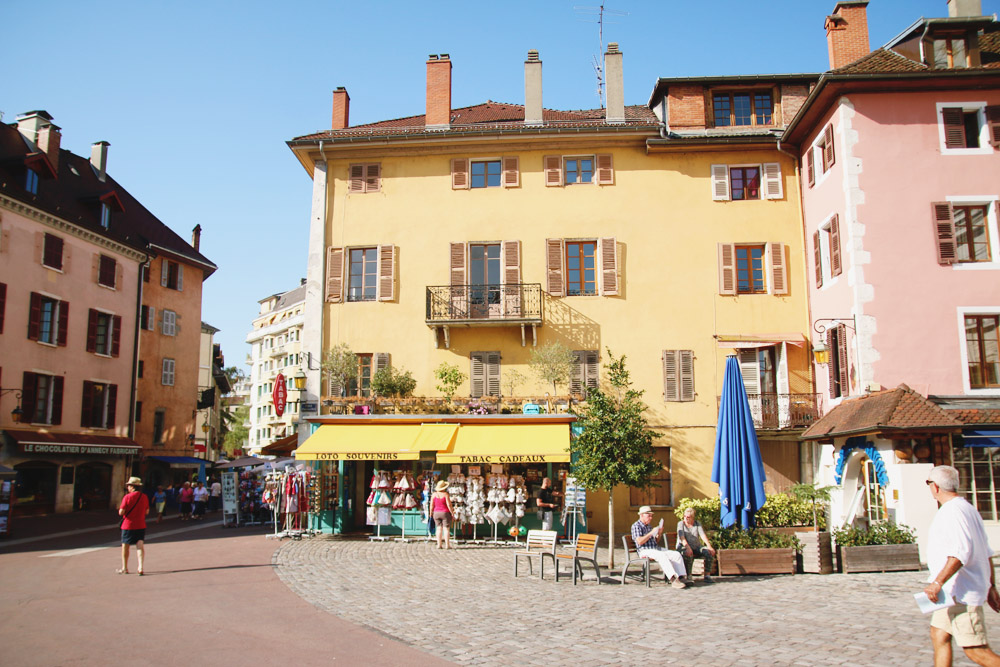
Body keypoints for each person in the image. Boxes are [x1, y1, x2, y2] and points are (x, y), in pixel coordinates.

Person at [923, 465, 1000, 666]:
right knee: (939, 635)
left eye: (929, 483)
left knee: (977, 651)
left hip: (961, 592)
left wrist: (937, 582)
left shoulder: (953, 512)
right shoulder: (967, 508)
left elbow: (959, 554)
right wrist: (991, 586)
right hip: (951, 593)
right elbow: (986, 552)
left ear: (936, 487)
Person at [631, 506, 687, 589]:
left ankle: (681, 577)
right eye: (648, 516)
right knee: (661, 555)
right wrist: (651, 533)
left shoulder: (649, 526)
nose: (651, 518)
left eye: (651, 516)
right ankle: (673, 579)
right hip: (644, 550)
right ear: (642, 515)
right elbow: (639, 541)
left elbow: (655, 541)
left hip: (654, 549)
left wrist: (659, 533)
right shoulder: (636, 526)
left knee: (676, 554)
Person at [118, 476, 149, 575]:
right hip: (140, 524)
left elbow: (121, 512)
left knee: (125, 546)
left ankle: (125, 567)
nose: (128, 487)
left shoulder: (127, 497)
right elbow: (147, 511)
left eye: (128, 486)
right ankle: (140, 567)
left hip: (128, 525)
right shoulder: (144, 497)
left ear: (132, 487)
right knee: (140, 545)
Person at [677, 507, 716, 583]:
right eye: (684, 516)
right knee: (688, 553)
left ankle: (707, 575)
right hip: (684, 546)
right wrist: (687, 547)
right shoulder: (681, 524)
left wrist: (709, 546)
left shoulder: (697, 524)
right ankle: (689, 576)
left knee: (708, 552)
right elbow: (682, 537)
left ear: (692, 518)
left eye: (688, 517)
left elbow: (702, 535)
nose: (686, 518)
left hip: (696, 546)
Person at [431, 480, 454, 550]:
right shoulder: (445, 494)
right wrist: (452, 512)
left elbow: (431, 505)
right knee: (446, 529)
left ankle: (439, 544)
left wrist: (430, 513)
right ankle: (447, 545)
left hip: (436, 512)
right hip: (445, 513)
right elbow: (449, 504)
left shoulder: (434, 494)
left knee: (438, 528)